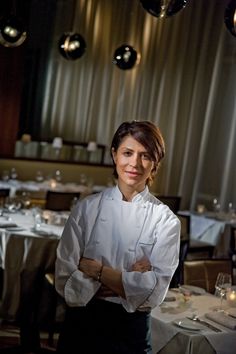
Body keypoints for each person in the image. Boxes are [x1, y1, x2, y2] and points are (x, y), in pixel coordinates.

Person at [55, 120, 180, 354]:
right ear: (114, 155)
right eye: (127, 153)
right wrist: (129, 281)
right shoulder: (86, 209)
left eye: (145, 155)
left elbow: (154, 294)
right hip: (81, 326)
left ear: (155, 163)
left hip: (130, 333)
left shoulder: (166, 221)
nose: (134, 163)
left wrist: (97, 271)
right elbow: (65, 281)